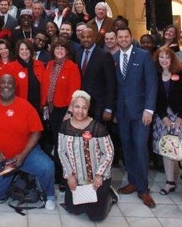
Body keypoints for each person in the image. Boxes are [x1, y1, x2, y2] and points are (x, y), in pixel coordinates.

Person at [0, 74, 56, 210]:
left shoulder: (26, 106)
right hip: (0, 158)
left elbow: (36, 133)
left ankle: (50, 195)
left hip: (27, 154)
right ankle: (17, 176)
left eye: (9, 83)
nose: (6, 86)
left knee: (48, 166)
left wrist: (23, 155)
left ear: (15, 87)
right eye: (3, 83)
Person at [114, 26, 157, 208]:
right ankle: (132, 181)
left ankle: (143, 189)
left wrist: (149, 110)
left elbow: (152, 84)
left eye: (126, 37)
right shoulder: (114, 58)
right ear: (116, 39)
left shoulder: (143, 55)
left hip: (141, 113)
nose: (123, 39)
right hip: (122, 113)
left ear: (131, 38)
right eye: (120, 37)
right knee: (128, 148)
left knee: (140, 149)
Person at [58, 90, 117, 222]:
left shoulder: (97, 128)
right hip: (76, 177)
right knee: (73, 209)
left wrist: (99, 174)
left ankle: (109, 195)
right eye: (77, 107)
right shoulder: (64, 126)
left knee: (96, 217)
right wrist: (69, 175)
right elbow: (62, 152)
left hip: (96, 178)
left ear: (88, 109)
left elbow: (109, 152)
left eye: (84, 108)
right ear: (71, 107)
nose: (80, 111)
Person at [152, 46, 182, 203]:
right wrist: (163, 117)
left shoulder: (181, 74)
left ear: (172, 59)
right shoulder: (155, 75)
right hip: (163, 118)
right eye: (161, 57)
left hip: (180, 118)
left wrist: (181, 117)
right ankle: (170, 182)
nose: (164, 60)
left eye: (167, 57)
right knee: (166, 150)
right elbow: (154, 98)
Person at [40, 38, 81, 183]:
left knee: (63, 145)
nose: (59, 51)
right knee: (57, 143)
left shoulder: (72, 67)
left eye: (62, 48)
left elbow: (75, 92)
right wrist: (44, 104)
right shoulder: (50, 64)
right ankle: (58, 174)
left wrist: (69, 112)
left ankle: (65, 177)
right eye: (57, 48)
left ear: (67, 51)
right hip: (51, 109)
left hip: (64, 111)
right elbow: (45, 85)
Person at [75, 27, 116, 123]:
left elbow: (111, 83)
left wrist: (108, 108)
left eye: (88, 37)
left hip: (99, 105)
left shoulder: (104, 55)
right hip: (83, 105)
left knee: (98, 135)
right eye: (83, 37)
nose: (85, 39)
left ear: (94, 38)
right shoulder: (78, 54)